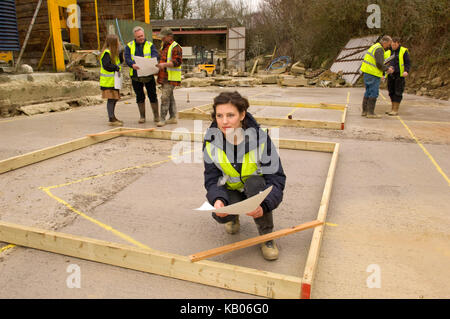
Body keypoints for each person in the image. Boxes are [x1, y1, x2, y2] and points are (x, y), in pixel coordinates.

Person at [203, 91, 286, 261]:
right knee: (219, 215)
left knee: (255, 182)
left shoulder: (260, 139)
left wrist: (265, 205)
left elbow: (276, 178)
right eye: (219, 115)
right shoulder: (211, 141)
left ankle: (266, 236)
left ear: (242, 115)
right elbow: (212, 179)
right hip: (231, 189)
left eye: (230, 115)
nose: (224, 121)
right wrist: (218, 200)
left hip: (256, 190)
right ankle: (232, 217)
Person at [125, 26, 160, 124]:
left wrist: (152, 61)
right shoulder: (129, 46)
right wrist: (132, 64)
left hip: (148, 74)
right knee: (139, 96)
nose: (141, 38)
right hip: (136, 75)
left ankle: (156, 116)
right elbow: (127, 58)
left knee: (152, 95)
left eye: (142, 36)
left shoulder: (150, 45)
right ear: (135, 37)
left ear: (144, 35)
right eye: (138, 37)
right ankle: (142, 116)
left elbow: (155, 55)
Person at [360, 35, 394, 118]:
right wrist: (387, 69)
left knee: (368, 92)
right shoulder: (379, 49)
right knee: (374, 92)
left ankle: (364, 111)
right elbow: (379, 64)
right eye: (389, 44)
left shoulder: (374, 46)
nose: (389, 47)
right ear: (384, 42)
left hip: (367, 72)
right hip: (373, 73)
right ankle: (370, 113)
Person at [155, 27, 182, 127]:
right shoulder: (164, 47)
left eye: (163, 37)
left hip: (171, 77)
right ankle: (173, 117)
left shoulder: (176, 47)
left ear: (170, 37)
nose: (162, 39)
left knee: (164, 98)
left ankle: (162, 119)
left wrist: (164, 65)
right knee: (170, 96)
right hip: (164, 76)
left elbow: (177, 62)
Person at [100, 34, 124, 126]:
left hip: (114, 81)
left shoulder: (114, 53)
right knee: (111, 99)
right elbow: (107, 66)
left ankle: (113, 117)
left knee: (114, 99)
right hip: (108, 82)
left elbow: (120, 62)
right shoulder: (107, 53)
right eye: (117, 41)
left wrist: (121, 53)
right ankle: (111, 118)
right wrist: (116, 68)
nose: (119, 43)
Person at [384, 37, 411, 116]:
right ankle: (392, 108)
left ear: (398, 43)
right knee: (391, 91)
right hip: (390, 75)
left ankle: (395, 109)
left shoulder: (403, 51)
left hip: (399, 75)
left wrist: (406, 71)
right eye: (392, 44)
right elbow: (384, 63)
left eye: (395, 45)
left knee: (398, 92)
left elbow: (407, 62)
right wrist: (383, 74)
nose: (393, 46)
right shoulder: (388, 52)